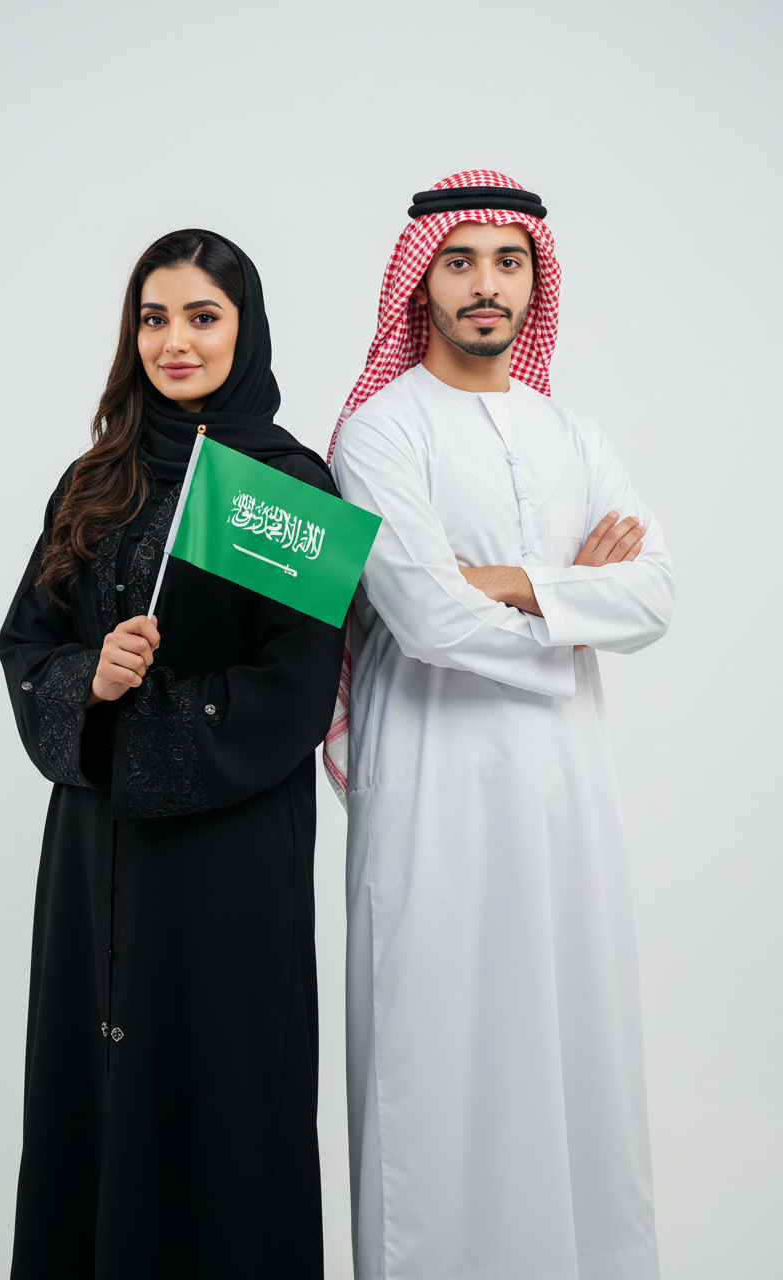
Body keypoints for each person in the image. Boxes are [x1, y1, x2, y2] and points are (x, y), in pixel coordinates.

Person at [326, 171, 674, 1280]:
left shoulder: (576, 433)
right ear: (420, 276)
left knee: (577, 1055)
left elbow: (655, 594)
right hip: (431, 794)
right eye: (461, 259)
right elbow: (422, 616)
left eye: (507, 261)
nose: (485, 285)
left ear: (535, 278)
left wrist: (504, 584)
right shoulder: (376, 432)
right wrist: (569, 594)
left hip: (567, 799)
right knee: (439, 1068)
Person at [0, 229, 345, 1279]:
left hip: (228, 856)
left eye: (203, 316)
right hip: (96, 845)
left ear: (244, 331)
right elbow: (27, 643)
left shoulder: (284, 485)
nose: (175, 340)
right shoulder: (95, 479)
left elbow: (300, 683)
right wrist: (88, 682)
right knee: (96, 1094)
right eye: (155, 317)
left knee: (222, 1089)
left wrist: (153, 715)